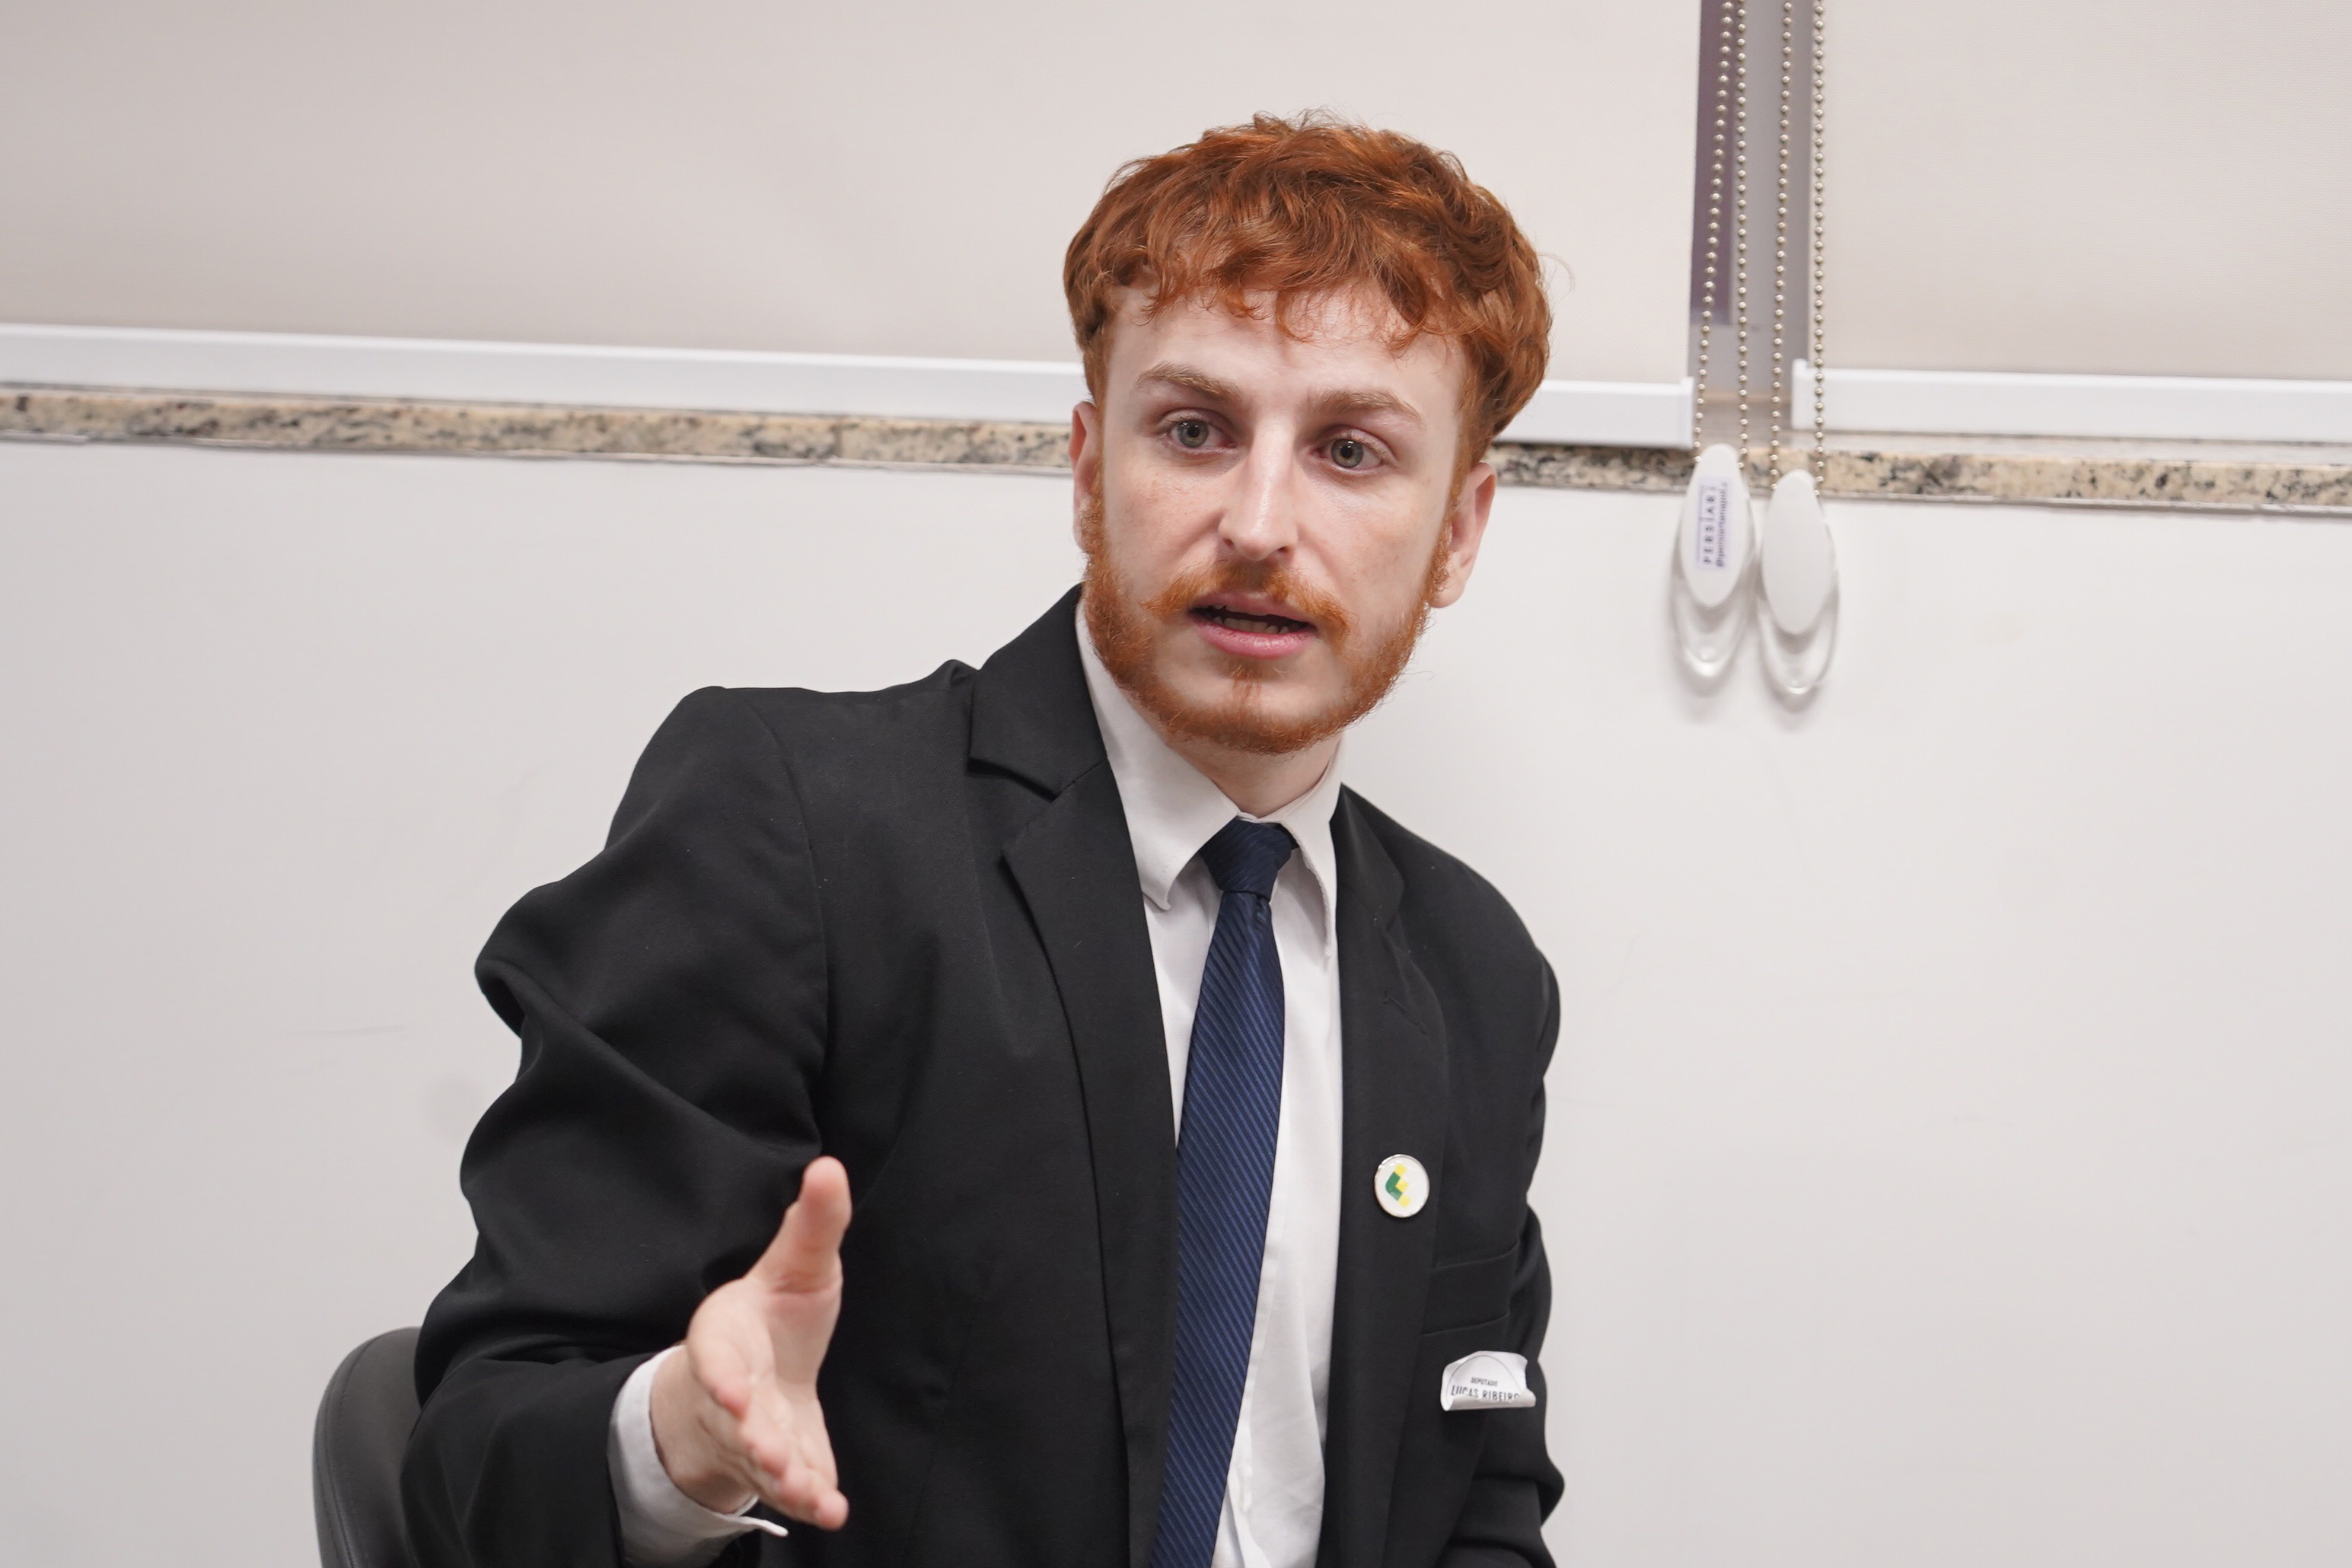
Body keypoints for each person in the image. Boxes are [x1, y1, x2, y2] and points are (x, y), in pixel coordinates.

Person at [402, 113, 1563, 1568]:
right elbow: (475, 1456)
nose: (1260, 522)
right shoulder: (799, 828)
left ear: (1457, 532)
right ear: (1087, 468)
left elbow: (1475, 1508)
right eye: (1193, 430)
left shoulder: (1473, 972)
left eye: (1349, 450)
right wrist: (682, 1438)